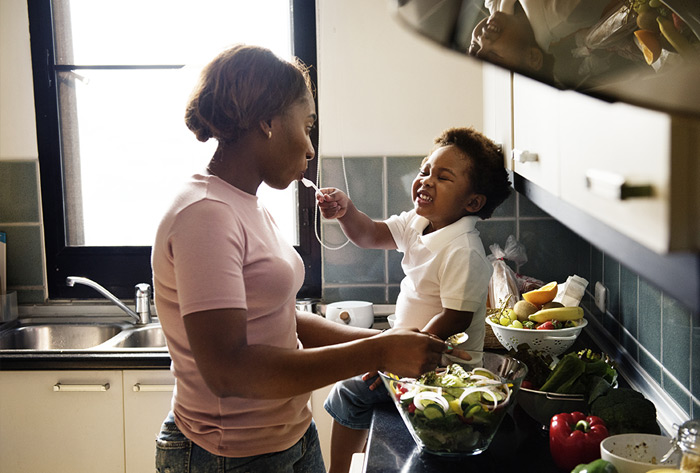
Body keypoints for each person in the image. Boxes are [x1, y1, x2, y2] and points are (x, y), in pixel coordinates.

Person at [151, 44, 452, 473]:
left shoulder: (246, 204)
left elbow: (280, 319)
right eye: (307, 126)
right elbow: (229, 370)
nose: (310, 148)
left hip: (289, 437)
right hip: (229, 456)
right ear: (267, 122)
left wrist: (381, 344)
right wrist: (380, 353)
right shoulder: (204, 214)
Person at [316, 126, 512, 473]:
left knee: (349, 391)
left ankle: (337, 471)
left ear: (473, 202)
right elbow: (370, 233)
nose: (426, 181)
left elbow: (455, 319)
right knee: (352, 384)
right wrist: (347, 212)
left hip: (441, 369)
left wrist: (393, 358)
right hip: (407, 355)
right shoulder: (420, 222)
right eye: (425, 171)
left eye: (443, 177)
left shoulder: (463, 250)